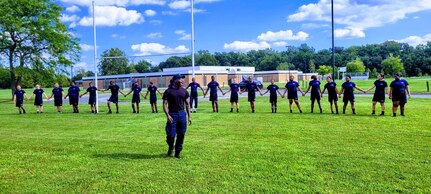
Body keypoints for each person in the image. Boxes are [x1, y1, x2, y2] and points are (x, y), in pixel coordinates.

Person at [162, 74, 192, 159]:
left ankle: (177, 153)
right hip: (172, 114)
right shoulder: (168, 91)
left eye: (183, 79)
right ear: (175, 80)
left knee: (181, 134)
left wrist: (189, 116)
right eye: (180, 79)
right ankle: (171, 146)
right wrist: (167, 115)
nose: (182, 80)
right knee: (170, 135)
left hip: (182, 114)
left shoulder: (184, 91)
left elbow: (187, 104)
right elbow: (164, 104)